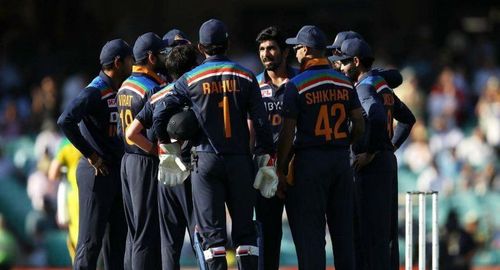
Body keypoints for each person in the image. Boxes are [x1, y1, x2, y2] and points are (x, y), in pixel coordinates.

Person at [153, 19, 274, 270]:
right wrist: (265, 160)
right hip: (240, 160)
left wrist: (168, 148)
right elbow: (261, 123)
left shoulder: (189, 78)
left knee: (213, 239)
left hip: (205, 160)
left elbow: (160, 115)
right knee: (245, 235)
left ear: (200, 47)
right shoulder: (247, 76)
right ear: (228, 44)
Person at [276, 25, 365, 270]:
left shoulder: (296, 84)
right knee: (343, 234)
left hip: (309, 163)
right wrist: (345, 143)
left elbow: (287, 132)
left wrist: (281, 169)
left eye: (296, 48)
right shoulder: (345, 82)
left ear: (305, 50)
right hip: (339, 161)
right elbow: (359, 123)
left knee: (311, 236)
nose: (295, 53)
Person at [331, 38, 415, 270]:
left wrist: (371, 150)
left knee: (369, 235)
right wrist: (389, 147)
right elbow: (407, 119)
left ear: (356, 61)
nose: (341, 67)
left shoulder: (365, 87)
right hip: (385, 162)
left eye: (344, 62)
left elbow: (377, 116)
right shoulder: (380, 84)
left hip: (370, 167)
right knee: (382, 234)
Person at [57, 39, 132, 270]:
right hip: (96, 172)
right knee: (90, 243)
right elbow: (65, 120)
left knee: (116, 244)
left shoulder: (121, 89)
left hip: (115, 172)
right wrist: (91, 155)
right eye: (129, 60)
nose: (132, 64)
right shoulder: (95, 90)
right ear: (118, 63)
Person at [126, 41, 198, 270]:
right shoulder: (198, 91)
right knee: (203, 239)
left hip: (167, 172)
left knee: (169, 246)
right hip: (194, 171)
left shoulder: (157, 94)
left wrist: (160, 153)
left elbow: (131, 133)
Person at [115, 32, 167, 270]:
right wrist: (156, 152)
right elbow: (148, 132)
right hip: (144, 161)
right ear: (151, 57)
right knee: (146, 230)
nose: (166, 58)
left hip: (127, 161)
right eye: (163, 54)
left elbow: (120, 132)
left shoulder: (124, 85)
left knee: (134, 231)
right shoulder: (151, 88)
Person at [252, 26, 298, 270]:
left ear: (285, 52)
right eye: (261, 49)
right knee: (267, 238)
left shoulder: (299, 82)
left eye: (271, 48)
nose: (265, 54)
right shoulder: (253, 85)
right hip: (265, 170)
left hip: (297, 168)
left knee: (306, 236)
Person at [327, 30, 403, 89]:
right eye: (334, 51)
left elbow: (396, 77)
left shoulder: (369, 78)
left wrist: (366, 77)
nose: (335, 55)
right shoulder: (334, 75)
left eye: (338, 52)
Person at [48, 137, 82, 264]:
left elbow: (53, 173)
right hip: (99, 191)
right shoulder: (94, 133)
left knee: (78, 238)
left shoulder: (65, 144)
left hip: (75, 196)